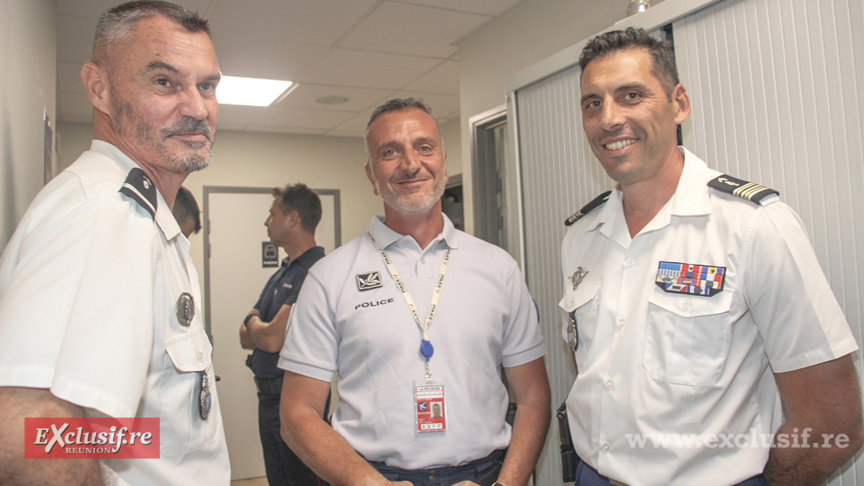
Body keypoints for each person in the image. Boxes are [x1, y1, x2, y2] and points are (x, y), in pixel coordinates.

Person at [560, 27, 863, 486]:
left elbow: (833, 421)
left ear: (678, 103)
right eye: (592, 103)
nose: (609, 119)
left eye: (631, 95)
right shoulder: (581, 236)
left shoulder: (752, 227)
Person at [0, 1, 228, 484]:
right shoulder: (108, 211)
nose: (196, 107)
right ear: (98, 88)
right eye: (165, 82)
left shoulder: (145, 216)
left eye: (206, 85)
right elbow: (32, 438)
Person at [278, 98, 551, 486]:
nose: (410, 163)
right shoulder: (329, 277)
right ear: (371, 175)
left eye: (424, 147)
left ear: (443, 159)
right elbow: (297, 414)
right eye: (390, 152)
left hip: (484, 475)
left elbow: (533, 397)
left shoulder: (498, 268)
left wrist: (508, 485)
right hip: (368, 476)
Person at [239, 183, 325, 486]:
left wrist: (255, 324)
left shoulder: (316, 270)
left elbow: (273, 338)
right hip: (268, 399)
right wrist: (257, 327)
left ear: (293, 218)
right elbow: (244, 335)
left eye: (271, 213)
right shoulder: (283, 271)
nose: (266, 222)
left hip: (295, 404)